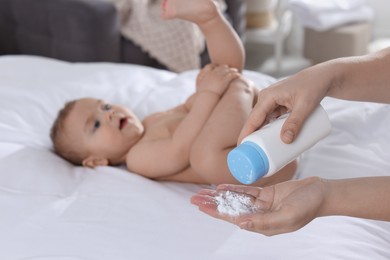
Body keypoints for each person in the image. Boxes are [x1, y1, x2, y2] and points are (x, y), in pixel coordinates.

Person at [50, 0, 297, 186]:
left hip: (239, 115)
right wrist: (209, 94)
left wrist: (208, 88)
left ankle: (210, 20)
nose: (108, 115)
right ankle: (275, 166)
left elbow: (193, 113)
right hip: (242, 145)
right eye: (95, 125)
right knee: (203, 159)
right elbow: (181, 149)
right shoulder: (137, 159)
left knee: (219, 73)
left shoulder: (151, 122)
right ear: (96, 161)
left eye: (104, 107)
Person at [191, 47, 390, 236]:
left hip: (250, 151)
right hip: (258, 157)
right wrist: (327, 75)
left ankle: (240, 86)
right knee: (206, 159)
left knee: (205, 158)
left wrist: (326, 196)